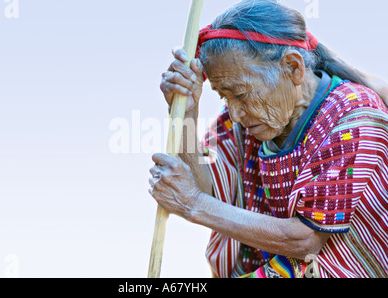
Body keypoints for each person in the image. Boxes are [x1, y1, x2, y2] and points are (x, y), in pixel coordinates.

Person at [149, 0, 388, 278]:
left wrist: (193, 205)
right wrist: (187, 113)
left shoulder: (354, 116)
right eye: (224, 95)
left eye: (239, 93)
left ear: (293, 68)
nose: (235, 113)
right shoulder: (243, 120)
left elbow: (305, 239)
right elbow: (212, 191)